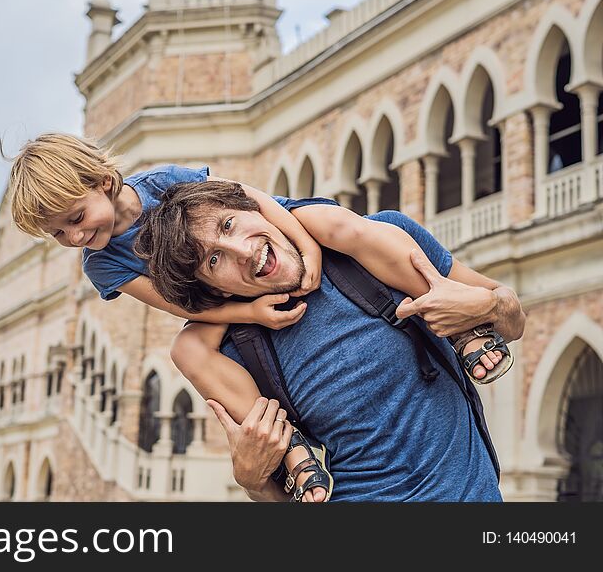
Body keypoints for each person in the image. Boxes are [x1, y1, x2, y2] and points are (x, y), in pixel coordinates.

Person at [7, 133, 510, 501]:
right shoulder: (101, 262)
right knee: (186, 345)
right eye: (59, 235)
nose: (74, 239)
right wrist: (254, 478)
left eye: (74, 220)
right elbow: (182, 306)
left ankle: (461, 325)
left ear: (103, 180)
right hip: (209, 297)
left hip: (287, 224)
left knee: (337, 222)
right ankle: (294, 453)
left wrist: (305, 242)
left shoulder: (165, 181)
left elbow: (249, 199)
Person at [133, 180, 526, 501]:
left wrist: (486, 306)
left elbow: (514, 318)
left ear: (256, 209)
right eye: (213, 261)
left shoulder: (376, 243)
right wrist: (252, 482)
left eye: (228, 225)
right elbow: (287, 504)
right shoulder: (238, 351)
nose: (242, 251)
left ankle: (464, 334)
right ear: (213, 290)